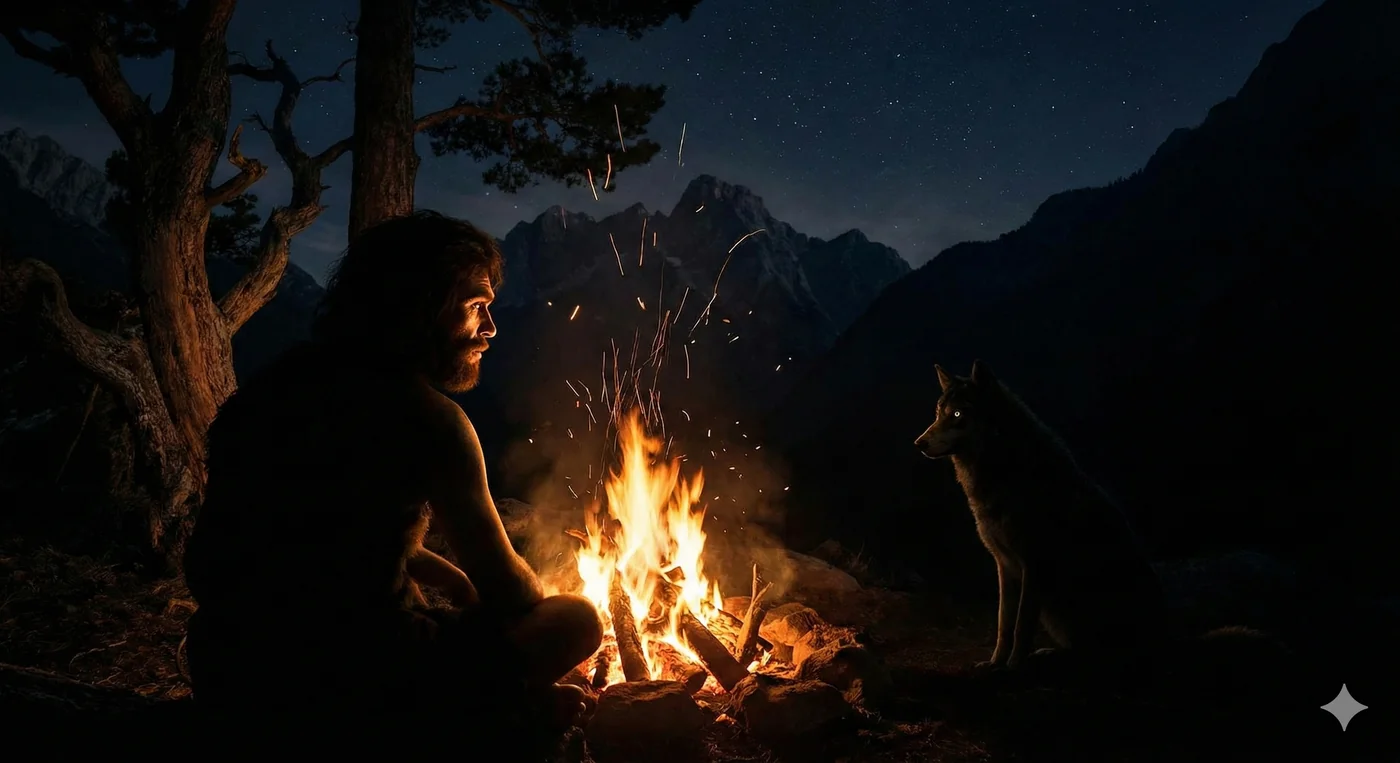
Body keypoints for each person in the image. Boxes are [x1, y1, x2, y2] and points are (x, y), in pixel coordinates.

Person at [182, 211, 602, 746]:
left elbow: (332, 537)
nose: (491, 329)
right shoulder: (429, 419)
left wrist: (452, 581)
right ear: (423, 307)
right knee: (575, 619)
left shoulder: (275, 387)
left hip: (229, 670)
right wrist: (520, 597)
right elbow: (511, 590)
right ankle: (484, 720)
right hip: (353, 683)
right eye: (476, 307)